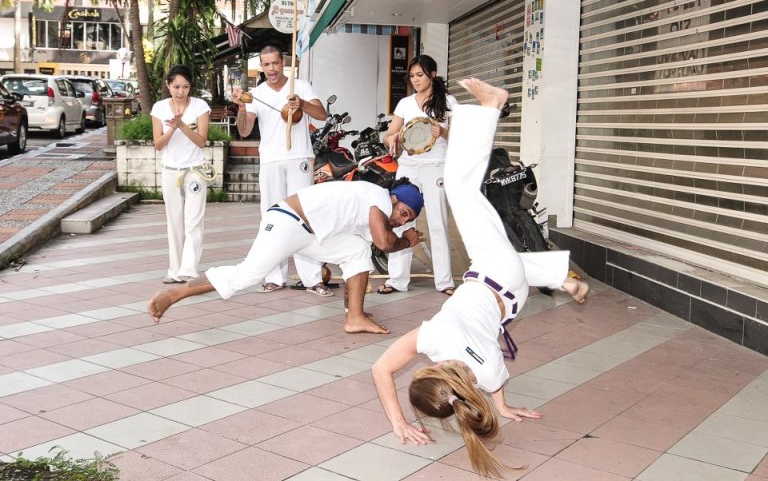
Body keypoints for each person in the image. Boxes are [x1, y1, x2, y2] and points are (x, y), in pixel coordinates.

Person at [371, 78, 589, 478]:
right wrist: (398, 420)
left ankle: (563, 276)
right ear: (426, 373)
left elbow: (495, 385)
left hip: (511, 297)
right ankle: (492, 107)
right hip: (491, 270)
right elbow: (380, 370)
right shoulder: (433, 339)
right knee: (460, 186)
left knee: (507, 258)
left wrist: (502, 408)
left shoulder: (485, 374)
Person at [147, 179, 426, 334]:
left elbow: (372, 243)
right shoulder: (378, 197)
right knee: (247, 274)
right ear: (393, 199)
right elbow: (385, 242)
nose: (401, 221)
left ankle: (354, 317)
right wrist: (406, 241)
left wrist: (399, 237)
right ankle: (176, 294)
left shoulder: (371, 203)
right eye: (403, 213)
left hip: (309, 233)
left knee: (356, 251)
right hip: (286, 221)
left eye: (407, 220)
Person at [231, 45, 331, 297]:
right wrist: (240, 106)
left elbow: (322, 114)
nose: (271, 69)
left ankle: (312, 279)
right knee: (272, 218)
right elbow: (244, 131)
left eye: (275, 63)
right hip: (271, 161)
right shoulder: (256, 93)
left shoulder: (301, 86)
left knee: (304, 216)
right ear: (261, 67)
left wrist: (302, 103)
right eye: (266, 65)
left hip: (299, 157)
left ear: (282, 63)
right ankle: (274, 277)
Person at [379, 55, 457, 296]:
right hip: (408, 168)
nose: (415, 80)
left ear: (432, 75)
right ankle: (397, 279)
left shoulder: (449, 102)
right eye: (412, 76)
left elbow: (460, 139)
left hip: (436, 167)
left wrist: (442, 131)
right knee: (401, 222)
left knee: (437, 223)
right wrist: (391, 138)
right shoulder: (404, 103)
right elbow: (389, 134)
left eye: (420, 75)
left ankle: (444, 281)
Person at [151, 65, 212, 284]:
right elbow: (158, 144)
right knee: (174, 221)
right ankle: (174, 269)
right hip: (170, 170)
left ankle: (189, 269)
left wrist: (183, 125)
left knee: (193, 221)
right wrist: (172, 128)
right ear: (168, 85)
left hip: (194, 171)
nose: (180, 91)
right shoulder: (159, 108)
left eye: (185, 86)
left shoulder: (200, 106)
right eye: (176, 86)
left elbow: (201, 141)